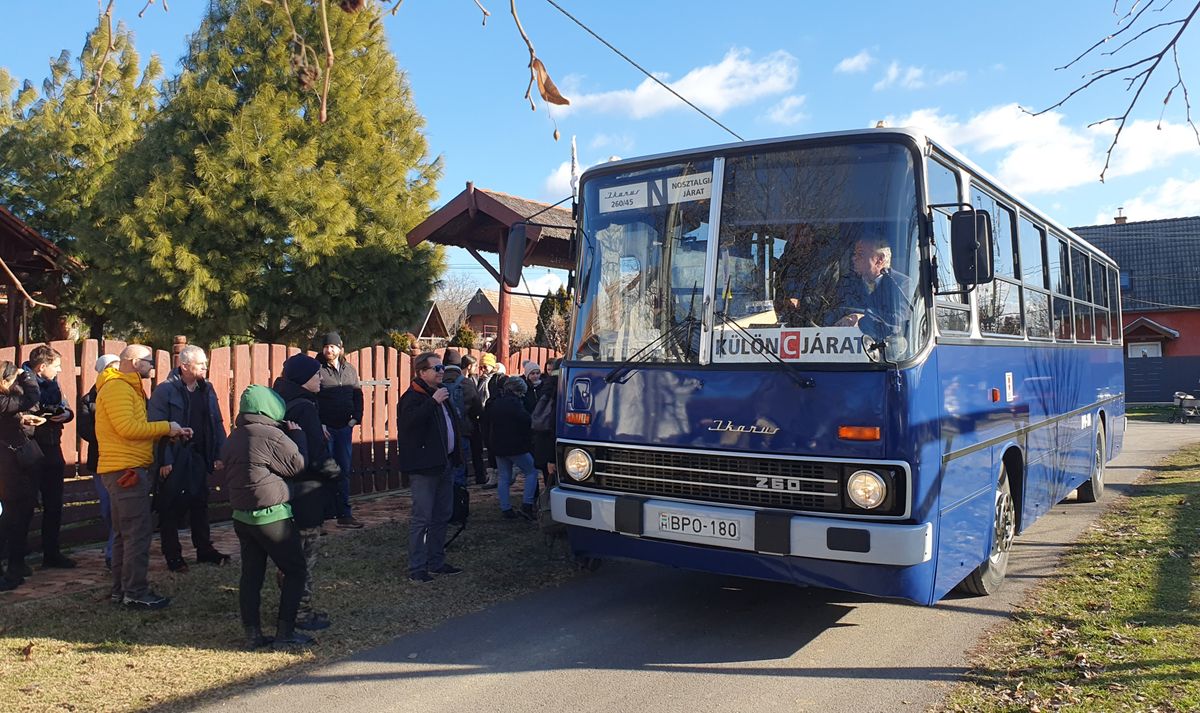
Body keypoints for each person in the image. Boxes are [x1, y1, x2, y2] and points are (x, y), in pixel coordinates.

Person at [96, 344, 190, 610]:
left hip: (124, 468)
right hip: (125, 470)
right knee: (137, 533)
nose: (152, 366)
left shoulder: (126, 387)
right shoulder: (117, 388)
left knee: (125, 533)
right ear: (135, 362)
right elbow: (127, 428)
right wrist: (166, 427)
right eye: (148, 361)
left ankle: (121, 590)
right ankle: (135, 591)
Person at [220, 385, 312, 650]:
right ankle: (286, 633)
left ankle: (253, 635)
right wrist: (298, 436)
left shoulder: (235, 436)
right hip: (272, 517)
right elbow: (298, 466)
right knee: (296, 571)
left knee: (251, 576)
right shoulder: (272, 435)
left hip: (242, 517)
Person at [272, 353, 341, 631]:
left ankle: (289, 606)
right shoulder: (306, 408)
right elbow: (315, 453)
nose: (321, 379)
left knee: (289, 556)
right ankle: (300, 612)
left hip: (284, 491)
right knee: (304, 558)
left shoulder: (280, 402)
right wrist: (334, 472)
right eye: (315, 375)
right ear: (303, 380)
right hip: (307, 492)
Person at [147, 345, 229, 572]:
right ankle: (173, 555)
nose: (205, 366)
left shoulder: (207, 389)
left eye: (205, 362)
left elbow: (217, 422)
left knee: (200, 502)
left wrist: (219, 453)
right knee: (171, 505)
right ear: (184, 366)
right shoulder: (165, 391)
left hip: (199, 455)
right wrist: (164, 460)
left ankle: (205, 550)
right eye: (200, 363)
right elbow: (156, 429)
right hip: (175, 455)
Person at [396, 352, 463, 582]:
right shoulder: (412, 397)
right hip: (424, 467)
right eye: (436, 368)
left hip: (444, 463)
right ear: (422, 372)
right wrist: (432, 403)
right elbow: (408, 424)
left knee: (442, 515)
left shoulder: (440, 393)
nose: (441, 371)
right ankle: (417, 568)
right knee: (422, 517)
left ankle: (436, 561)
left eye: (442, 367)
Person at [22, 345, 77, 569]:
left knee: (54, 505)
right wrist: (38, 418)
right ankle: (18, 557)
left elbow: (67, 409)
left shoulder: (53, 384)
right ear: (42, 366)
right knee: (25, 505)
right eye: (56, 366)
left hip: (53, 447)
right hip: (31, 448)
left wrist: (64, 414)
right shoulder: (22, 382)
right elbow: (20, 413)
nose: (60, 370)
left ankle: (51, 554)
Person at [0, 361, 43, 591]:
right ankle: (10, 570)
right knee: (10, 517)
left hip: (16, 463)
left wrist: (21, 420)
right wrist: (26, 375)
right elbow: (30, 399)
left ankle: (16, 565)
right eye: (13, 380)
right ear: (4, 381)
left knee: (20, 514)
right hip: (8, 466)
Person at [315, 332, 364, 529]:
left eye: (333, 346)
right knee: (325, 471)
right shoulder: (317, 369)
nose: (329, 349)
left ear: (340, 347)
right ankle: (322, 516)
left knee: (343, 470)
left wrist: (355, 419)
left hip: (344, 428)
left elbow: (358, 395)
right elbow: (312, 398)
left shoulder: (349, 370)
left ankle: (344, 513)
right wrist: (319, 424)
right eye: (326, 346)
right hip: (325, 429)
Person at [77, 354, 120, 570]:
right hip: (100, 460)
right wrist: (108, 434)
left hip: (124, 459)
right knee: (107, 508)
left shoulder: (127, 392)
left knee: (118, 507)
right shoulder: (88, 400)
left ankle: (114, 552)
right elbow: (84, 430)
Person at [826, 235, 913, 337]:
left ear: (880, 259)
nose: (854, 258)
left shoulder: (900, 283)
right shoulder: (846, 282)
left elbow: (899, 321)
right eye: (854, 254)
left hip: (883, 348)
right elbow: (831, 313)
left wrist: (862, 318)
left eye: (860, 254)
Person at [486, 377, 538, 520]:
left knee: (503, 477)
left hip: (497, 445)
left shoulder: (495, 403)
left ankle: (506, 508)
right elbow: (527, 421)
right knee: (531, 472)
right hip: (516, 446)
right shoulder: (516, 404)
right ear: (519, 391)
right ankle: (527, 504)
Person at [441, 349, 481, 487]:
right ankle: (459, 502)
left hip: (440, 431)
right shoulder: (466, 383)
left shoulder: (436, 381)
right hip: (462, 430)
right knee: (459, 465)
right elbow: (477, 408)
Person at [531, 358, 560, 490]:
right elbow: (553, 423)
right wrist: (552, 458)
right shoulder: (559, 389)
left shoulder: (546, 386)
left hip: (541, 439)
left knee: (548, 478)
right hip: (550, 442)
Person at [459, 355, 487, 485]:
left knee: (475, 452)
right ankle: (476, 476)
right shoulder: (466, 382)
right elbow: (476, 404)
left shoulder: (473, 379)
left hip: (463, 421)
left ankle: (479, 476)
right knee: (472, 452)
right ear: (469, 366)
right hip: (470, 420)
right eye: (475, 366)